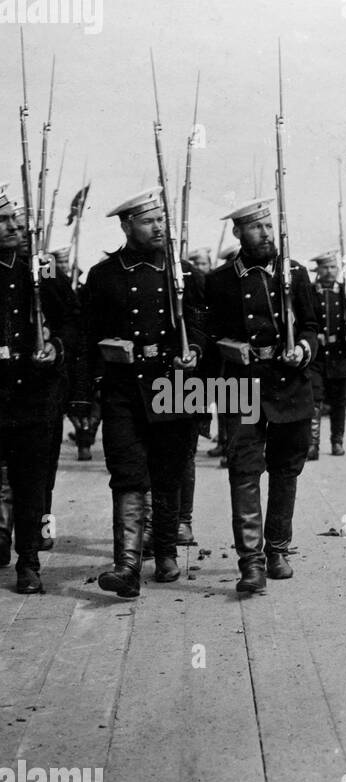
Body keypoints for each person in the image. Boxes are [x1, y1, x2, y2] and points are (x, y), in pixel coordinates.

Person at [81, 188, 206, 597]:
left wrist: (195, 351)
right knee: (128, 474)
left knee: (168, 473)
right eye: (148, 220)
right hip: (123, 390)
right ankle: (127, 566)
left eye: (160, 219)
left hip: (175, 385)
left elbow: (200, 325)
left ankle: (167, 552)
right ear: (126, 225)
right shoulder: (103, 276)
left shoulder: (183, 273)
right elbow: (87, 337)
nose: (158, 227)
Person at [204, 197, 319, 593]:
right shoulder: (219, 281)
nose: (266, 234)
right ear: (238, 233)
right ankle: (250, 562)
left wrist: (302, 349)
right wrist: (226, 347)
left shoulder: (295, 273)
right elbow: (207, 335)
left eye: (269, 225)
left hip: (289, 383)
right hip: (239, 385)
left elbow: (311, 325)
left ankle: (278, 550)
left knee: (286, 469)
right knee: (244, 470)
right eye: (256, 227)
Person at [0, 186, 79, 593]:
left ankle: (28, 562)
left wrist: (57, 346)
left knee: (31, 481)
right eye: (3, 220)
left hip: (34, 394)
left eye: (15, 217)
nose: (14, 225)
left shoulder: (41, 268)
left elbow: (71, 322)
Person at [309, 251, 346, 456]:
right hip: (318, 355)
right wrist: (313, 335)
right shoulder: (310, 291)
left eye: (332, 267)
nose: (329, 272)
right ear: (318, 270)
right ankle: (313, 444)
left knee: (338, 402)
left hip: (339, 354)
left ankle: (337, 441)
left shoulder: (345, 292)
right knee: (315, 399)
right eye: (325, 268)